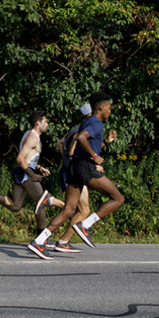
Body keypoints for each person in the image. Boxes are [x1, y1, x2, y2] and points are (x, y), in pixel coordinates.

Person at [27, 92, 124, 260]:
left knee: (69, 209)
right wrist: (94, 156)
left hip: (74, 167)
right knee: (117, 198)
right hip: (84, 167)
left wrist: (105, 142)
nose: (110, 110)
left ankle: (39, 241)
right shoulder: (96, 122)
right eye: (108, 107)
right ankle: (85, 225)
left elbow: (86, 140)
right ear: (100, 107)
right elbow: (81, 138)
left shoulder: (87, 122)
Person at [0, 110, 65, 241]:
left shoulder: (29, 134)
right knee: (43, 201)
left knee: (16, 206)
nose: (47, 124)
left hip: (22, 172)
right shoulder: (33, 138)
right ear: (38, 123)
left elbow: (27, 158)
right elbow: (20, 158)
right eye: (45, 121)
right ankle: (42, 237)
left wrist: (39, 167)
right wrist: (32, 174)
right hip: (25, 174)